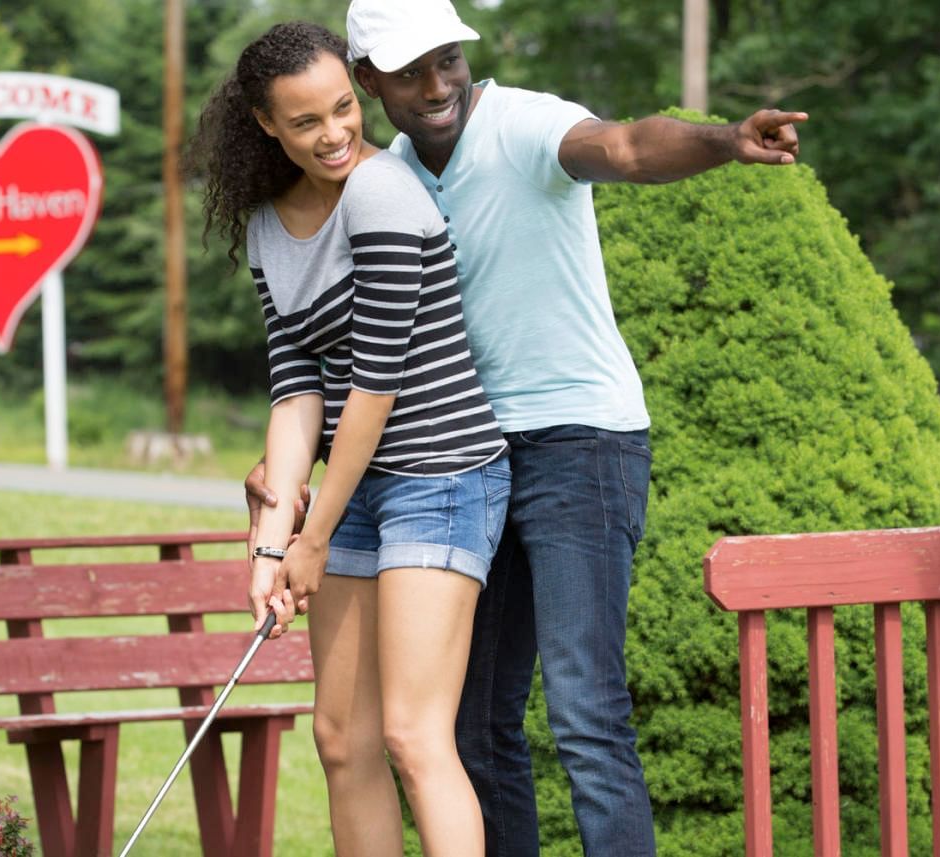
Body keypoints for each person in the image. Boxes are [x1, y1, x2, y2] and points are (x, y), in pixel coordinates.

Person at [246, 2, 808, 855]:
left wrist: (726, 140)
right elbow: (326, 354)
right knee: (472, 725)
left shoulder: (522, 123)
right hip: (467, 450)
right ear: (370, 82)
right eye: (409, 71)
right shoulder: (375, 171)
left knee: (584, 711)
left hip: (580, 438)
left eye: (447, 60)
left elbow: (622, 147)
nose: (437, 84)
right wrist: (278, 479)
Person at [193, 21, 510, 857]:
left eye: (344, 109)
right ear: (266, 124)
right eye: (307, 123)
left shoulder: (384, 193)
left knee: (412, 735)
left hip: (440, 479)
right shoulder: (268, 226)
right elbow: (297, 388)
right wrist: (270, 545)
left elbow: (372, 384)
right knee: (342, 740)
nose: (335, 134)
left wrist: (313, 536)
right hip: (358, 488)